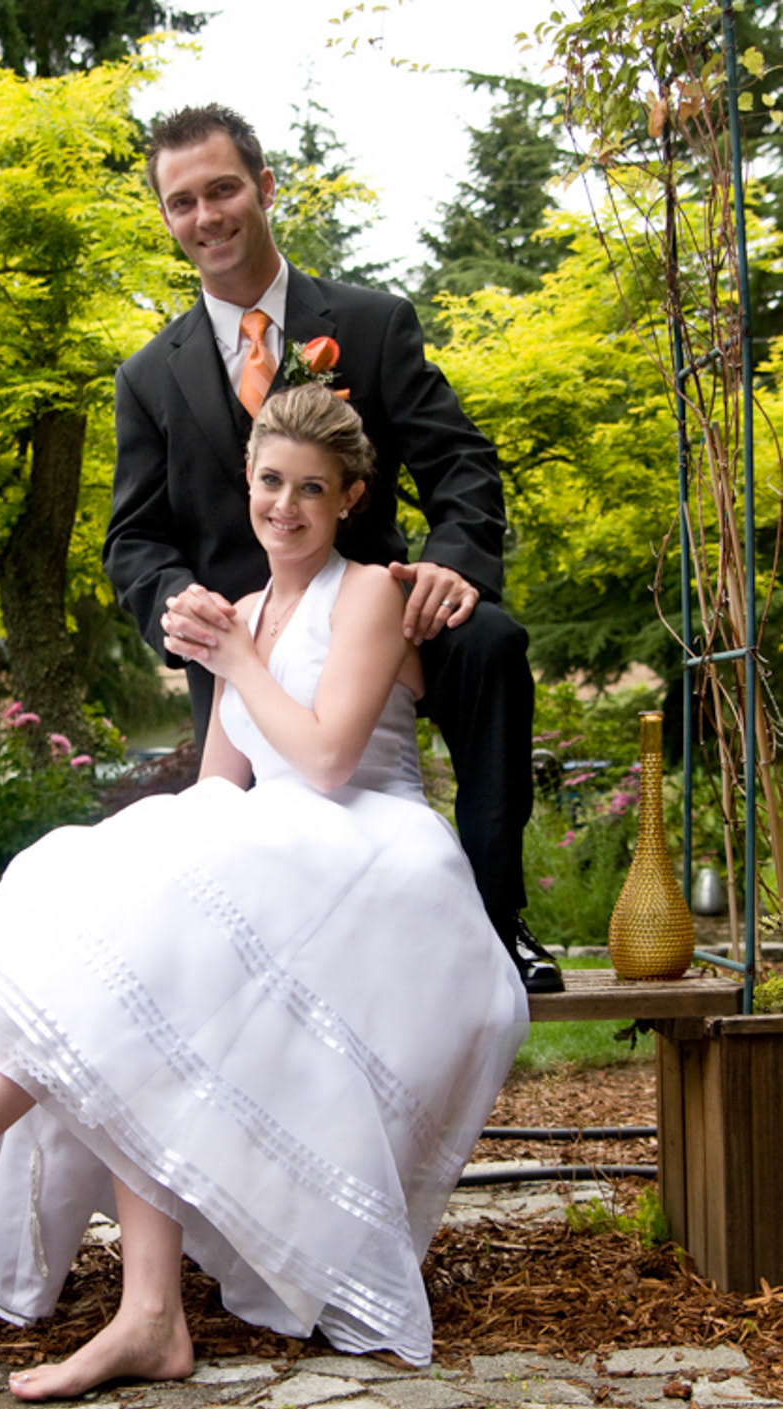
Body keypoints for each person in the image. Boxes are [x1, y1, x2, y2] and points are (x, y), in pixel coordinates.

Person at [0, 387, 527, 1393]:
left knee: (174, 902)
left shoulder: (372, 595)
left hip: (376, 850)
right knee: (127, 900)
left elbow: (321, 758)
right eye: (271, 481)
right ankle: (148, 1316)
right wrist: (166, 814)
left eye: (312, 488)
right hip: (282, 845)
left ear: (350, 497)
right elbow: (223, 785)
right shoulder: (249, 608)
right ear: (248, 483)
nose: (286, 506)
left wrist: (230, 659)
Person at [102, 102, 563, 995]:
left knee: (492, 643)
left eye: (224, 189)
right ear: (167, 217)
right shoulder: (148, 377)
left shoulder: (372, 321)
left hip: (379, 610)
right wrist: (182, 606)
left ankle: (496, 923)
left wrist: (452, 565)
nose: (207, 216)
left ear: (265, 188)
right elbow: (134, 536)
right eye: (183, 201)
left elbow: (459, 461)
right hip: (249, 640)